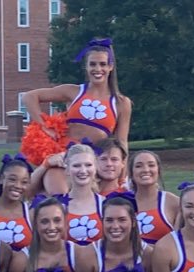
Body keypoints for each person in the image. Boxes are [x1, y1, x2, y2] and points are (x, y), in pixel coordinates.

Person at [24, 38, 133, 195]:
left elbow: (122, 142)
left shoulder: (121, 103)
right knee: (61, 197)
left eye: (102, 64)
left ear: (110, 67)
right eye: (93, 64)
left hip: (93, 163)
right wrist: (43, 126)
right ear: (86, 67)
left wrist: (122, 175)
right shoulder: (73, 92)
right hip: (65, 158)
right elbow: (30, 97)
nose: (98, 69)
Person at [87, 193, 154, 272]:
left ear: (133, 222)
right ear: (102, 221)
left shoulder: (148, 255)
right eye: (109, 220)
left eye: (122, 220)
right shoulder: (88, 256)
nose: (115, 226)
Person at [59, 144, 105, 247]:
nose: (83, 171)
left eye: (88, 165)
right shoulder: (58, 206)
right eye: (76, 165)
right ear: (67, 170)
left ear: (95, 168)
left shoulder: (105, 204)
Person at [128, 150, 178, 245]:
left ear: (158, 171)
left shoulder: (173, 202)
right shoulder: (124, 202)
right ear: (131, 173)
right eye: (139, 166)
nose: (146, 170)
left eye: (151, 165)